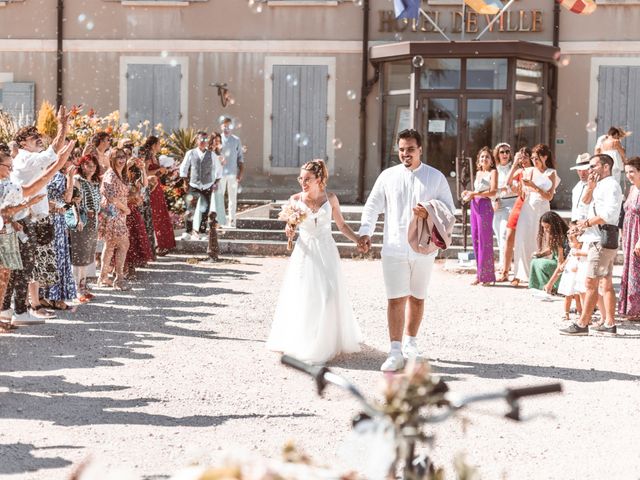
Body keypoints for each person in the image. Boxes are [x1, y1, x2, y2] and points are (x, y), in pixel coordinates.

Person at [357, 129, 455, 372]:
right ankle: (394, 350)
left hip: (423, 249)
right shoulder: (388, 176)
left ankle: (411, 343)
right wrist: (365, 231)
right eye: (401, 149)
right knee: (395, 298)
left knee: (417, 297)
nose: (405, 153)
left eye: (410, 149)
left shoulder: (435, 177)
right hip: (393, 246)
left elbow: (449, 211)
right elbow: (372, 206)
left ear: (420, 149)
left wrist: (430, 211)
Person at [266, 159, 362, 364]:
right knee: (304, 295)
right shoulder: (295, 200)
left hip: (326, 250)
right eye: (301, 178)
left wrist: (358, 240)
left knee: (328, 293)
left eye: (308, 178)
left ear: (319, 179)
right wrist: (289, 230)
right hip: (305, 251)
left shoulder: (331, 198)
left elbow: (342, 226)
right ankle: (305, 339)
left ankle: (326, 340)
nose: (303, 182)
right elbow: (290, 228)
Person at [2, 107, 74, 326]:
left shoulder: (26, 158)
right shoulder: (25, 158)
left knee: (16, 268)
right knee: (21, 268)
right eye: (35, 137)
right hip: (21, 221)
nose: (39, 139)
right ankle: (20, 310)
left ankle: (7, 310)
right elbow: (48, 163)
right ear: (23, 142)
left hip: (23, 219)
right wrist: (62, 128)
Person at [560, 154, 623, 336]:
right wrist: (590, 187)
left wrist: (585, 224)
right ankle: (609, 323)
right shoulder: (599, 185)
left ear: (605, 167)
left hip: (601, 240)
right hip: (596, 238)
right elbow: (585, 203)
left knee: (590, 283)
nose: (590, 169)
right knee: (605, 283)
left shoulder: (611, 185)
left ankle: (582, 324)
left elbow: (609, 215)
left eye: (594, 166)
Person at [512, 144, 559, 286]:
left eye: (536, 158)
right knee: (523, 238)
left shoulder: (551, 173)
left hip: (542, 207)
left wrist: (534, 187)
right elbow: (520, 192)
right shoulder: (529, 171)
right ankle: (521, 274)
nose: (533, 161)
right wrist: (519, 186)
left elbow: (549, 196)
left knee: (542, 239)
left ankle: (541, 275)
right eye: (532, 158)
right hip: (528, 207)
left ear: (545, 157)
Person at [462, 147, 497, 286]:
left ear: (491, 160)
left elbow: (493, 191)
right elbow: (476, 191)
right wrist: (468, 193)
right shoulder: (478, 173)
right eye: (482, 157)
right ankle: (479, 273)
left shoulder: (493, 172)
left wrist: (474, 194)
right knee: (475, 238)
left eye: (487, 157)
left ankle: (487, 276)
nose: (484, 159)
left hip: (485, 206)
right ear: (479, 160)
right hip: (474, 205)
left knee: (484, 240)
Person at [70, 154, 101, 301]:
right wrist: (78, 219)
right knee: (79, 256)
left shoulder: (94, 182)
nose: (91, 168)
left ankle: (83, 285)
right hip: (82, 220)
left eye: (94, 165)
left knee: (87, 255)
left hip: (93, 222)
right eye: (88, 165)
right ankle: (78, 288)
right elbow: (74, 202)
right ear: (82, 166)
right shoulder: (77, 180)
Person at [497, 147, 532, 282]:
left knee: (527, 238)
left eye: (525, 157)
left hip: (531, 205)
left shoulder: (535, 171)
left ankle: (525, 271)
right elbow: (507, 182)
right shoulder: (519, 171)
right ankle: (505, 271)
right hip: (519, 204)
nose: (522, 159)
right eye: (520, 157)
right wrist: (515, 164)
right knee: (509, 237)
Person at [98, 148, 131, 291]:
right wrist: (125, 208)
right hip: (113, 212)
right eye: (118, 157)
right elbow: (111, 197)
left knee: (111, 246)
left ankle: (103, 277)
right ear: (112, 159)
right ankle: (119, 278)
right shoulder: (110, 175)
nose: (122, 160)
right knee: (123, 244)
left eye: (123, 156)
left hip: (117, 213)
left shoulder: (120, 173)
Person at [179, 131, 221, 240]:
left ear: (208, 142)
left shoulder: (212, 154)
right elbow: (184, 167)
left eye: (205, 140)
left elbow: (218, 169)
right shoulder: (190, 153)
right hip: (194, 185)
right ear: (197, 140)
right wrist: (185, 181)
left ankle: (202, 232)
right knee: (190, 209)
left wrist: (215, 182)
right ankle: (188, 232)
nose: (203, 142)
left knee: (205, 210)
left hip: (207, 186)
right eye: (201, 139)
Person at [141, 136, 176, 255]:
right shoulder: (147, 156)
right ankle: (156, 245)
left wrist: (162, 171)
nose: (160, 146)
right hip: (151, 189)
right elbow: (145, 173)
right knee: (155, 214)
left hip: (157, 187)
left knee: (160, 213)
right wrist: (158, 170)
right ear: (154, 145)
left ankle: (163, 244)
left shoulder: (154, 156)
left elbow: (155, 173)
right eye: (159, 144)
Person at [124, 158, 154, 278]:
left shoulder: (135, 183)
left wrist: (142, 169)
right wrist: (127, 165)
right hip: (123, 213)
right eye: (131, 170)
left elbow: (145, 185)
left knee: (134, 240)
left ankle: (131, 267)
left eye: (134, 170)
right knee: (124, 240)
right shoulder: (122, 180)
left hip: (133, 213)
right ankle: (122, 268)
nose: (132, 172)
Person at [618, 156, 640, 320]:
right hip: (629, 234)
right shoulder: (633, 189)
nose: (629, 175)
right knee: (631, 270)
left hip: (638, 235)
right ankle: (632, 309)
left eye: (632, 171)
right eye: (626, 172)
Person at [214, 118, 244, 228]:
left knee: (232, 198)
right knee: (219, 197)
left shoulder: (236, 140)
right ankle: (219, 220)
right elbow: (213, 154)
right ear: (221, 127)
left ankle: (232, 221)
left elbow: (240, 157)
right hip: (220, 174)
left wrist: (240, 172)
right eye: (224, 126)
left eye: (229, 127)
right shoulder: (218, 140)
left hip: (232, 173)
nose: (226, 129)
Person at [528, 211, 567, 292]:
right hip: (555, 263)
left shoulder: (561, 237)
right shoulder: (553, 235)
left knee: (543, 264)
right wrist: (539, 254)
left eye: (547, 227)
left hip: (562, 267)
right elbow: (550, 250)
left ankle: (549, 286)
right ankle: (538, 286)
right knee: (534, 261)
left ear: (554, 225)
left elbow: (560, 262)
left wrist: (550, 283)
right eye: (543, 227)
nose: (545, 230)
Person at [553, 224, 586, 321]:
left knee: (578, 296)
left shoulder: (580, 250)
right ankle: (566, 313)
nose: (569, 243)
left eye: (571, 241)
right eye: (569, 241)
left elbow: (580, 260)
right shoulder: (573, 249)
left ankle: (581, 313)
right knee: (568, 295)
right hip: (569, 274)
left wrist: (577, 266)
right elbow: (569, 257)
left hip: (576, 275)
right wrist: (563, 264)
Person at [492, 143, 516, 271]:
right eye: (502, 152)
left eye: (507, 151)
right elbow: (491, 189)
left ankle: (504, 266)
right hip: (497, 205)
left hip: (511, 204)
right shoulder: (494, 169)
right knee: (498, 235)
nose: (505, 154)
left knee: (504, 234)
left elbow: (514, 188)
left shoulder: (514, 168)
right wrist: (495, 197)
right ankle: (505, 262)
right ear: (498, 154)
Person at [570, 153, 591, 222]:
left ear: (590, 170)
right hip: (576, 224)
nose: (582, 173)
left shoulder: (597, 185)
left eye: (585, 170)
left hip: (590, 225)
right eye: (579, 170)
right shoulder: (576, 187)